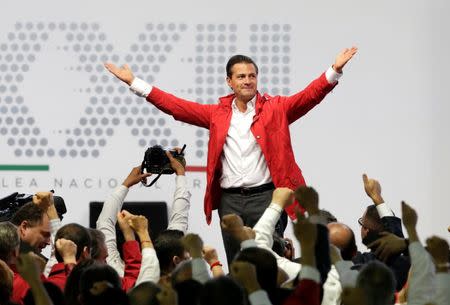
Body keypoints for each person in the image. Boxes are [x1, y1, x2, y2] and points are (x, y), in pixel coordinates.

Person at [105, 47, 357, 263]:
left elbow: (309, 97)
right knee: (238, 266)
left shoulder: (277, 108)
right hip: (230, 201)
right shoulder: (217, 114)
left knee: (270, 265)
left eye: (252, 76)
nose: (247, 81)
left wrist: (334, 70)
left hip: (266, 198)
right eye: (241, 77)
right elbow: (176, 107)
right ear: (229, 81)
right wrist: (134, 82)